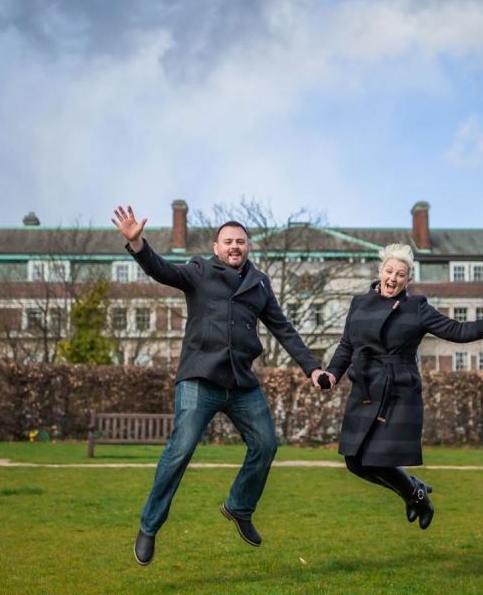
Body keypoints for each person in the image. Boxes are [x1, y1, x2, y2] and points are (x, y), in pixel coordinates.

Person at [112, 205, 333, 566]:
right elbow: (162, 270)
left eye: (241, 242)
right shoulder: (200, 270)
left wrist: (312, 368)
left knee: (265, 444)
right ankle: (149, 525)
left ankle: (239, 507)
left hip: (241, 382)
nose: (235, 246)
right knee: (180, 450)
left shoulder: (259, 283)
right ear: (216, 247)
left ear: (248, 247)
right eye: (228, 241)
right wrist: (138, 245)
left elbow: (282, 328)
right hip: (200, 377)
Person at [322, 243, 483, 529]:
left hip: (398, 391)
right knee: (354, 462)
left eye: (400, 274)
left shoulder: (417, 307)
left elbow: (458, 331)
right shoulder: (358, 303)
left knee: (377, 459)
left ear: (408, 280)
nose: (393, 278)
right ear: (380, 272)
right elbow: (347, 345)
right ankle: (414, 492)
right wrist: (331, 374)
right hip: (365, 387)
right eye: (389, 271)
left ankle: (416, 495)